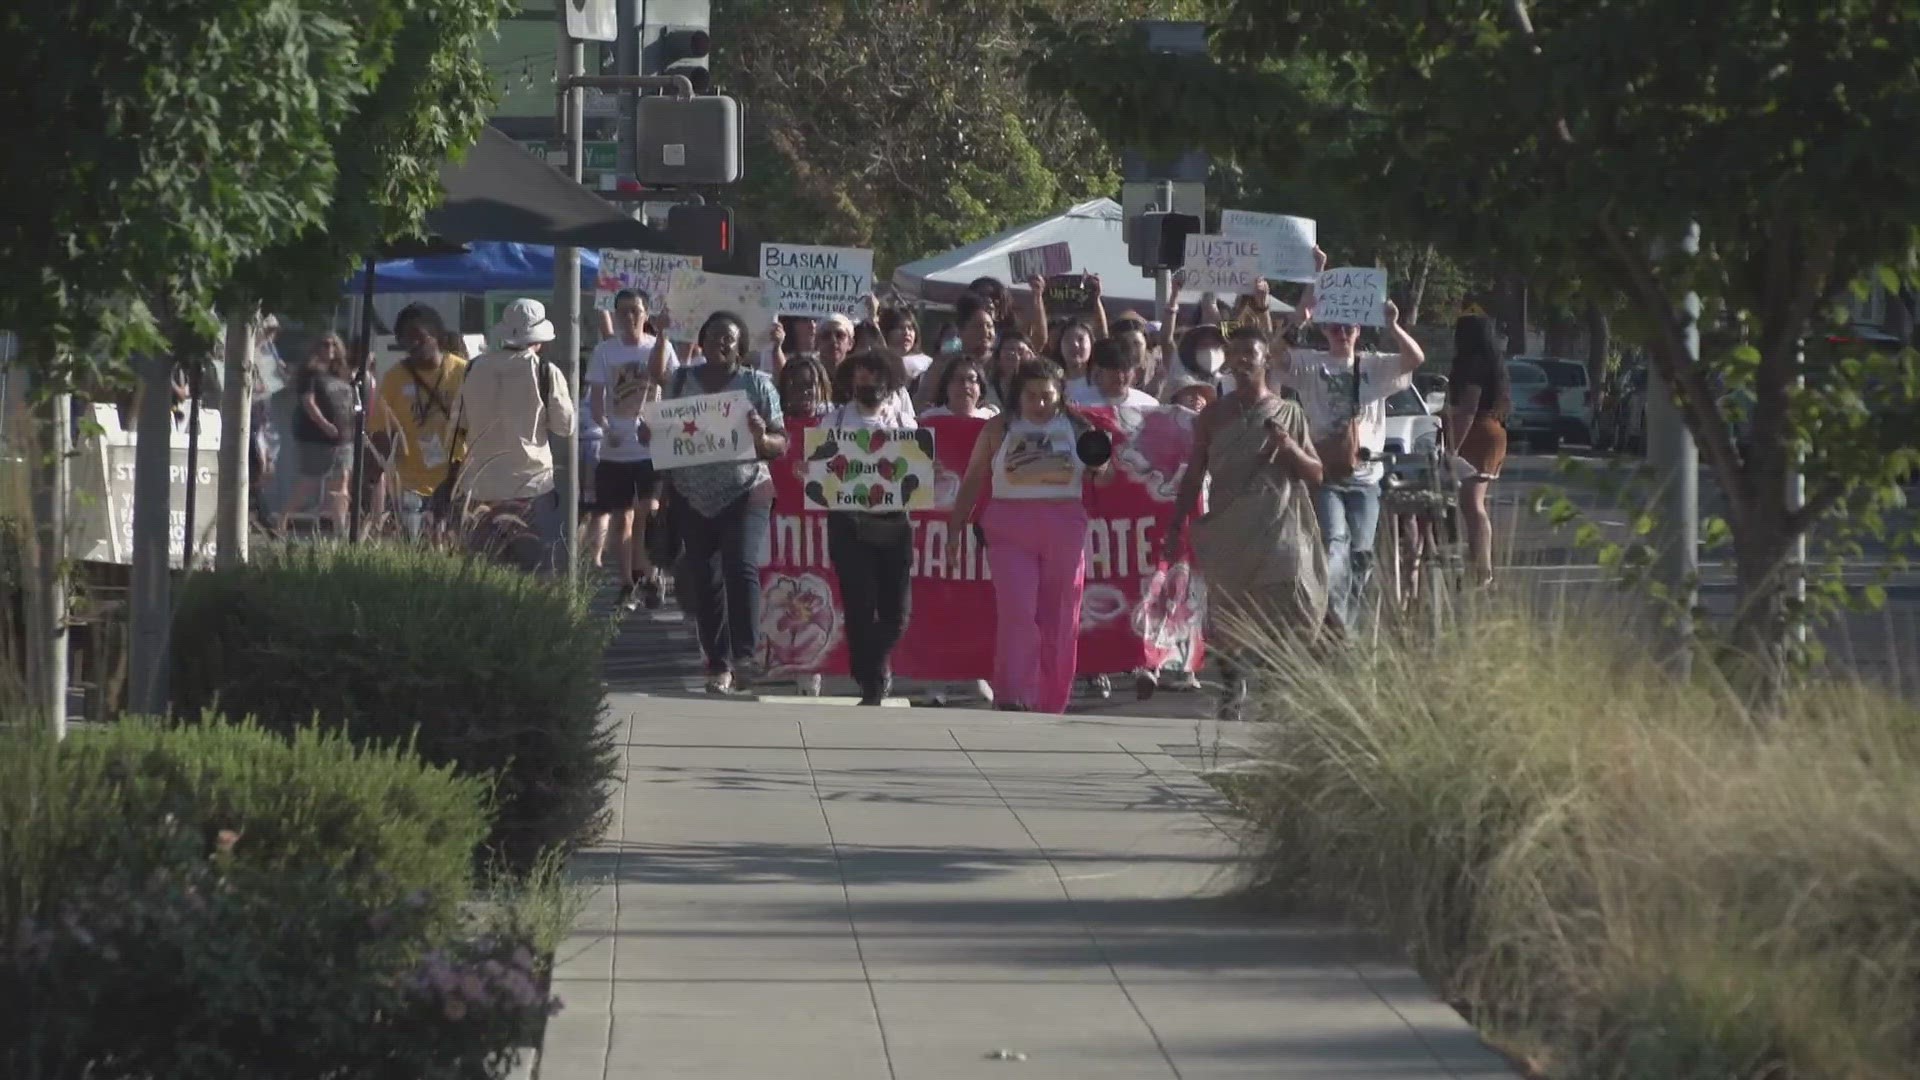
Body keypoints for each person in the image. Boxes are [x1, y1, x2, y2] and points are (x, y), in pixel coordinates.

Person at [1164, 326, 1328, 716]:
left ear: (1265, 359)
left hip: (1279, 523)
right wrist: (1175, 525)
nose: (1240, 361)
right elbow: (1193, 474)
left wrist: (1288, 448)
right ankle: (1233, 684)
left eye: (1248, 354)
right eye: (1233, 354)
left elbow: (1316, 473)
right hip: (1230, 525)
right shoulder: (1213, 417)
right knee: (1230, 610)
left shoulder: (1289, 413)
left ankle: (1274, 683)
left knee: (1285, 601)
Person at [946, 359, 1116, 713]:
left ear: (1060, 396)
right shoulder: (999, 428)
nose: (1040, 404)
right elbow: (975, 477)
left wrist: (1101, 467)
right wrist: (954, 528)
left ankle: (1050, 701)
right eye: (1032, 396)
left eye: (1047, 396)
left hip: (1063, 525)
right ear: (1018, 396)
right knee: (1017, 612)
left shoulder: (1078, 427)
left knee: (1059, 616)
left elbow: (1103, 479)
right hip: (1009, 527)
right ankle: (1012, 695)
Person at [1289, 253, 1428, 633]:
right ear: (1323, 329)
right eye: (1333, 325)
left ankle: (1345, 609)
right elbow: (1273, 354)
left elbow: (1415, 358)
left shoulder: (1374, 365)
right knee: (1335, 543)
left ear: (1359, 329)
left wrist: (1393, 325)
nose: (1341, 331)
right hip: (1327, 472)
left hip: (1367, 475)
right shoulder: (1308, 364)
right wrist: (1306, 300)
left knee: (1361, 553)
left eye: (1348, 325)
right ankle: (1343, 623)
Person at [651, 309, 788, 695]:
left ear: (740, 345)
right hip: (691, 496)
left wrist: (762, 440)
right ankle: (717, 663)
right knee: (703, 577)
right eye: (713, 336)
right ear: (702, 341)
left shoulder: (757, 385)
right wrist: (652, 432)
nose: (721, 343)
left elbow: (781, 443)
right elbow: (659, 422)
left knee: (740, 566)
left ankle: (745, 656)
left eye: (728, 337)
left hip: (746, 490)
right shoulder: (680, 381)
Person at [447, 298, 576, 571]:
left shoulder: (473, 368)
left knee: (485, 569)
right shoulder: (545, 371)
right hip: (530, 485)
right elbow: (565, 426)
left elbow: (457, 424)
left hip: (481, 486)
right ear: (539, 338)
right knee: (533, 570)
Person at [819, 349, 917, 704]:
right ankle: (872, 683)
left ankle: (871, 663)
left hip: (893, 525)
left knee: (897, 613)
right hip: (849, 526)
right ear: (850, 381)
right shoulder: (832, 422)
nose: (869, 383)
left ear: (889, 381)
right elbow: (819, 472)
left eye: (876, 376)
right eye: (861, 376)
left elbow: (917, 468)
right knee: (859, 607)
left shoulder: (904, 425)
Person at [588, 288, 681, 610]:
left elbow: (673, 388)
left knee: (649, 511)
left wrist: (657, 423)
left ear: (646, 315)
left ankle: (649, 572)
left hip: (651, 448)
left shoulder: (659, 347)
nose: (629, 318)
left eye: (635, 311)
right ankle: (628, 582)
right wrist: (607, 428)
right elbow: (597, 401)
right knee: (621, 518)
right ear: (615, 315)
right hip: (616, 448)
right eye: (623, 311)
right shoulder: (604, 351)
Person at [370, 304, 468, 539]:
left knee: (453, 546)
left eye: (419, 337)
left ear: (437, 336)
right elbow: (380, 429)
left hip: (458, 478)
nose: (412, 344)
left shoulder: (463, 372)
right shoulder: (394, 377)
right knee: (414, 547)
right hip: (410, 484)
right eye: (405, 339)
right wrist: (374, 476)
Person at [1446, 314, 1511, 589]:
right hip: (1493, 429)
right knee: (1474, 505)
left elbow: (1468, 409)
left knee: (1472, 505)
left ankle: (1482, 570)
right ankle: (1479, 566)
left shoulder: (1471, 365)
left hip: (1477, 432)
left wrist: (1452, 448)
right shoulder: (1494, 365)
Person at [289, 332, 356, 532]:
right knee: (309, 483)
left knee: (342, 481)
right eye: (325, 345)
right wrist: (324, 424)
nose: (329, 350)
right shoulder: (310, 374)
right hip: (316, 438)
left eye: (333, 345)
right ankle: (282, 520)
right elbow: (308, 402)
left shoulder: (340, 374)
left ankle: (340, 528)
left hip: (344, 437)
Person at [915, 291, 997, 410]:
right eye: (978, 326)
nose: (986, 332)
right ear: (961, 331)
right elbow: (921, 402)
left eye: (990, 326)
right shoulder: (943, 363)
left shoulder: (1002, 360)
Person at [1070, 338, 1158, 409]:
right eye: (1114, 370)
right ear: (1097, 371)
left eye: (1125, 369)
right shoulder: (1078, 404)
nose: (1120, 376)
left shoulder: (1148, 406)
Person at [919, 356, 998, 419]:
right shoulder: (929, 418)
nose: (966, 386)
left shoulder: (991, 420)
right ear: (946, 386)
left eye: (971, 379)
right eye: (958, 379)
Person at [878, 307, 933, 386]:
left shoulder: (927, 363)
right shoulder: (877, 363)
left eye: (910, 328)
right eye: (900, 328)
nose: (907, 333)